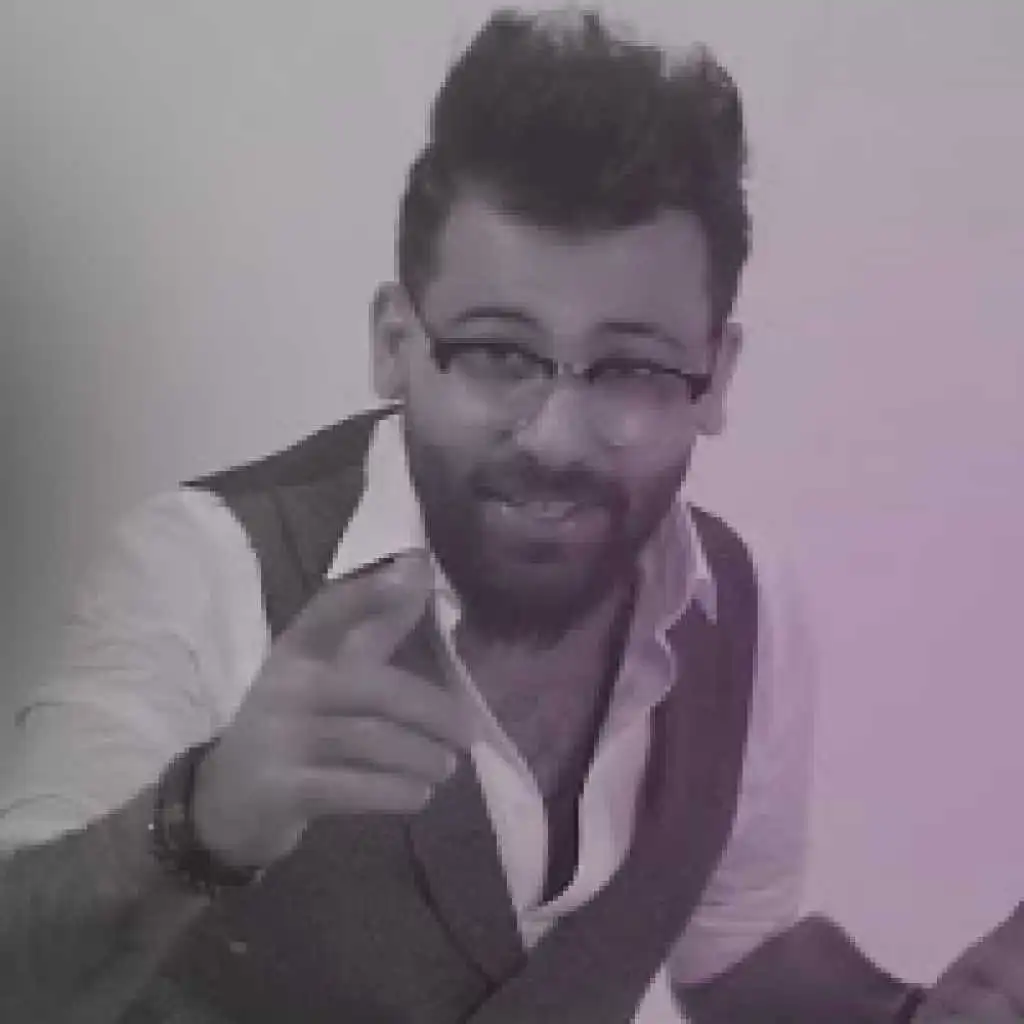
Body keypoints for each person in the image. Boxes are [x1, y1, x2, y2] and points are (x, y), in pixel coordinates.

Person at [0, 8, 1013, 1023]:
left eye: (632, 366)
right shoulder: (205, 565)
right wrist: (197, 822)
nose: (557, 439)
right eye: (496, 352)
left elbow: (732, 958)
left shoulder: (743, 613)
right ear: (396, 342)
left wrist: (915, 1011)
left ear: (714, 377)